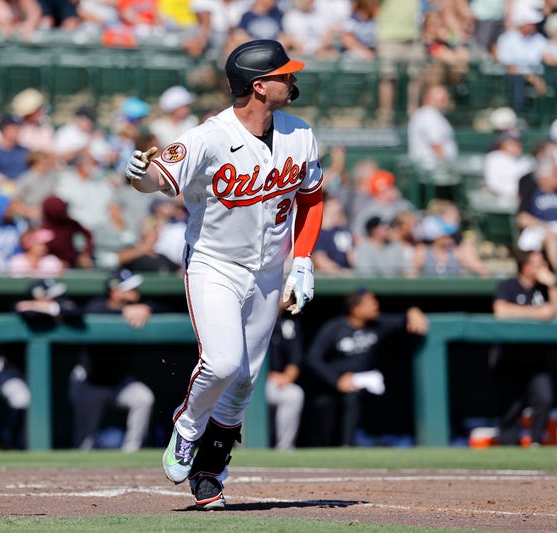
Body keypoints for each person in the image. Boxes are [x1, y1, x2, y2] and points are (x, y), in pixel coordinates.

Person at [124, 39, 324, 509]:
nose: (291, 79)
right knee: (222, 362)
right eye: (283, 74)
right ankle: (187, 427)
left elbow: (311, 200)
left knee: (244, 380)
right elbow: (157, 178)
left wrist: (303, 260)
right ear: (259, 86)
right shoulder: (207, 136)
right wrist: (138, 175)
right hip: (214, 262)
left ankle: (210, 470)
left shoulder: (300, 134)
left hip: (270, 269)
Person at [305, 287, 428, 447]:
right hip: (334, 384)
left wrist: (414, 311)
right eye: (370, 303)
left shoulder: (377, 324)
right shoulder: (334, 327)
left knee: (356, 398)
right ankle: (326, 445)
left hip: (365, 384)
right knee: (324, 404)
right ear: (356, 309)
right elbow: (313, 358)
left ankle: (349, 446)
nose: (376, 305)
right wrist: (337, 380)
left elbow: (404, 318)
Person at [70, 269, 159, 452]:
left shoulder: (139, 307)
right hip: (90, 381)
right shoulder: (95, 307)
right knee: (85, 442)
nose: (135, 292)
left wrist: (147, 308)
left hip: (121, 383)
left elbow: (168, 307)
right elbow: (80, 312)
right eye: (128, 288)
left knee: (143, 398)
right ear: (114, 291)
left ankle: (131, 450)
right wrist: (123, 311)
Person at [0, 278, 81, 449]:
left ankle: (20, 446)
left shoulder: (52, 307)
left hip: (33, 372)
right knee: (22, 400)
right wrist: (50, 310)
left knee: (33, 407)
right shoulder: (20, 306)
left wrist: (47, 307)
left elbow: (77, 312)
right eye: (51, 297)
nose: (57, 300)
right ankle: (6, 442)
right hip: (9, 369)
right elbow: (28, 313)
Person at [491, 250, 556, 446]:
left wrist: (552, 284)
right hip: (509, 358)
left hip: (536, 360)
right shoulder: (508, 286)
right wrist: (538, 313)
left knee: (545, 398)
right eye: (538, 264)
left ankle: (536, 442)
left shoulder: (544, 289)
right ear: (525, 267)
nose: (542, 267)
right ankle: (508, 446)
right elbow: (501, 311)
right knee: (511, 408)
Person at [266, 311, 304, 450]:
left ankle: (285, 447)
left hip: (276, 382)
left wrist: (287, 377)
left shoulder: (288, 324)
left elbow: (295, 359)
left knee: (294, 394)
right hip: (250, 381)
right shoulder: (249, 319)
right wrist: (267, 375)